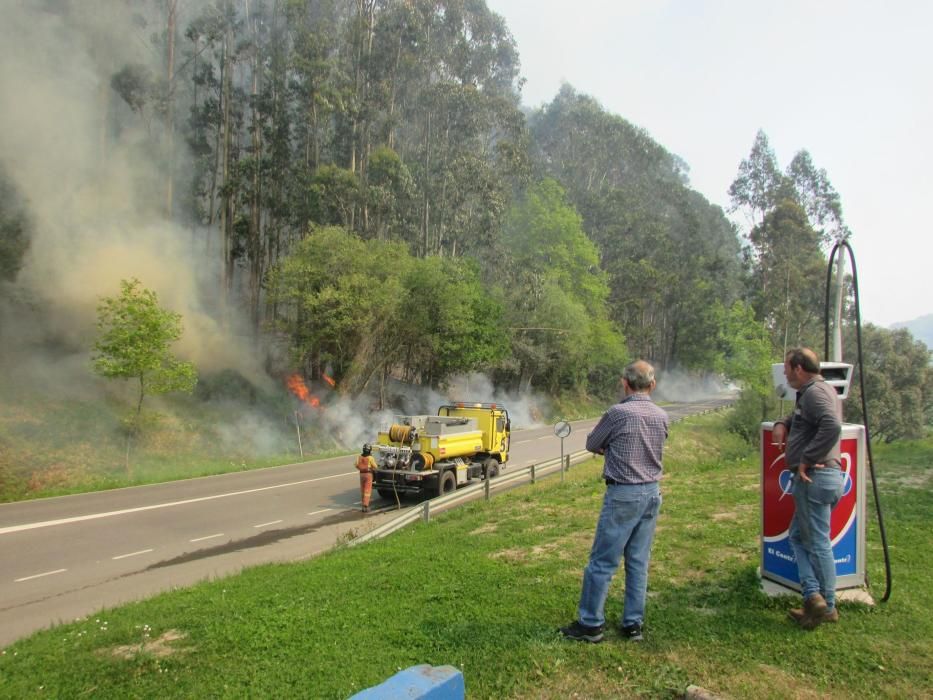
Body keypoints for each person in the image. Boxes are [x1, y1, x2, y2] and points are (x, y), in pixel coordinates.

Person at [560, 360, 669, 644]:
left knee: (602, 562)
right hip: (652, 492)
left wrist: (610, 448)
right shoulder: (661, 415)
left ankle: (591, 623)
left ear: (624, 383)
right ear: (652, 385)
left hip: (623, 494)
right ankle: (633, 623)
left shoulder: (617, 413)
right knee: (638, 561)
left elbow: (591, 442)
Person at [771, 347, 844, 630]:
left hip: (815, 476)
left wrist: (806, 460)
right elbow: (801, 419)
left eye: (787, 368)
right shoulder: (812, 393)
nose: (785, 373)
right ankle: (813, 599)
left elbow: (831, 425)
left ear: (799, 368)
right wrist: (781, 423)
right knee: (800, 537)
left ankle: (826, 604)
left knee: (818, 543)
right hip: (820, 477)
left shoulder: (816, 393)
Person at [355, 444, 377, 513]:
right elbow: (375, 466)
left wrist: (361, 468)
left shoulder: (359, 457)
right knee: (367, 490)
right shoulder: (370, 458)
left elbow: (356, 464)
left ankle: (363, 505)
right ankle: (366, 506)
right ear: (369, 450)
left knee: (363, 489)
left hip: (361, 474)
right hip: (368, 475)